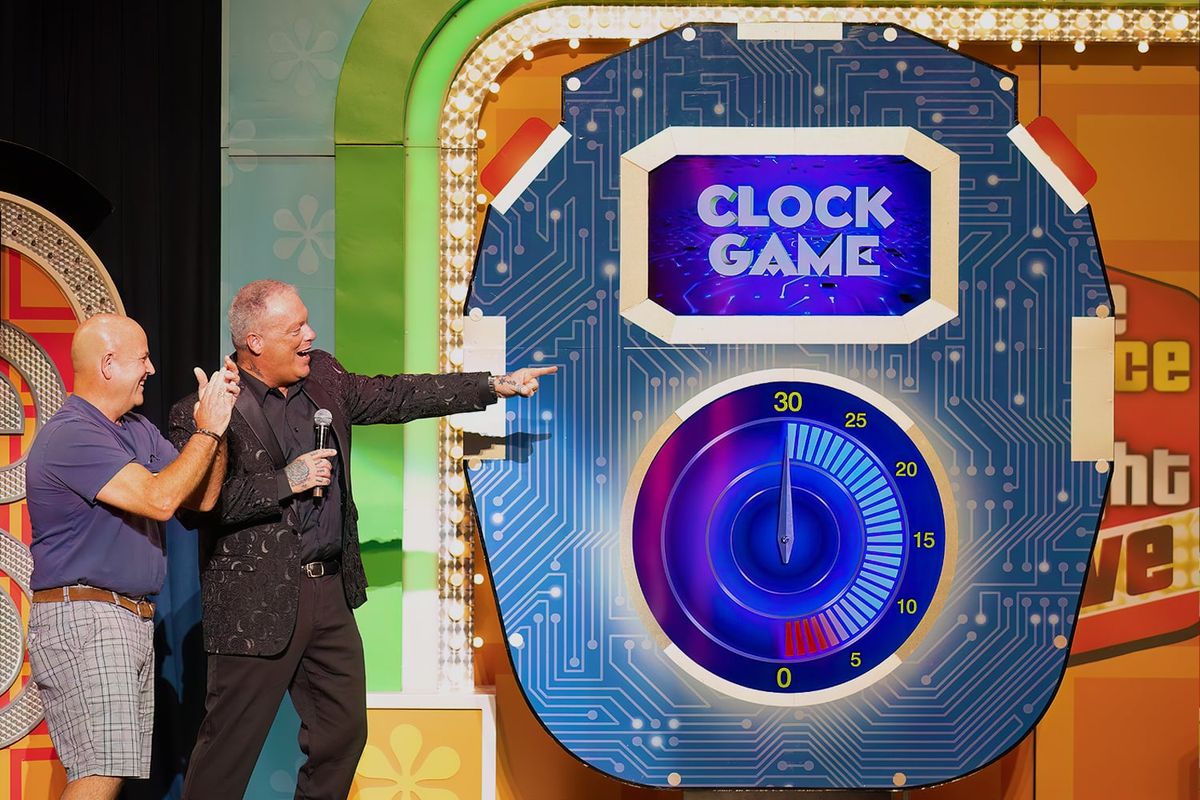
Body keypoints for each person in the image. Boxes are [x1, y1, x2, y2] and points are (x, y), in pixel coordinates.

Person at [168, 279, 555, 799]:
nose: (310, 335)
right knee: (228, 752)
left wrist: (492, 386)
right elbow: (196, 507)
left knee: (342, 736)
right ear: (255, 342)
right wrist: (287, 481)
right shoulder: (203, 409)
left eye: (307, 322)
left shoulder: (324, 376)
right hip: (254, 606)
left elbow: (398, 395)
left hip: (328, 593)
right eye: (295, 329)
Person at [25, 314, 240, 800]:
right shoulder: (72, 434)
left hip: (128, 618)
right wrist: (205, 432)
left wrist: (220, 428)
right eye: (142, 357)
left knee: (109, 770)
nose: (151, 368)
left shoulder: (137, 429)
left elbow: (201, 498)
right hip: (87, 616)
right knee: (99, 771)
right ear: (108, 364)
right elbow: (160, 500)